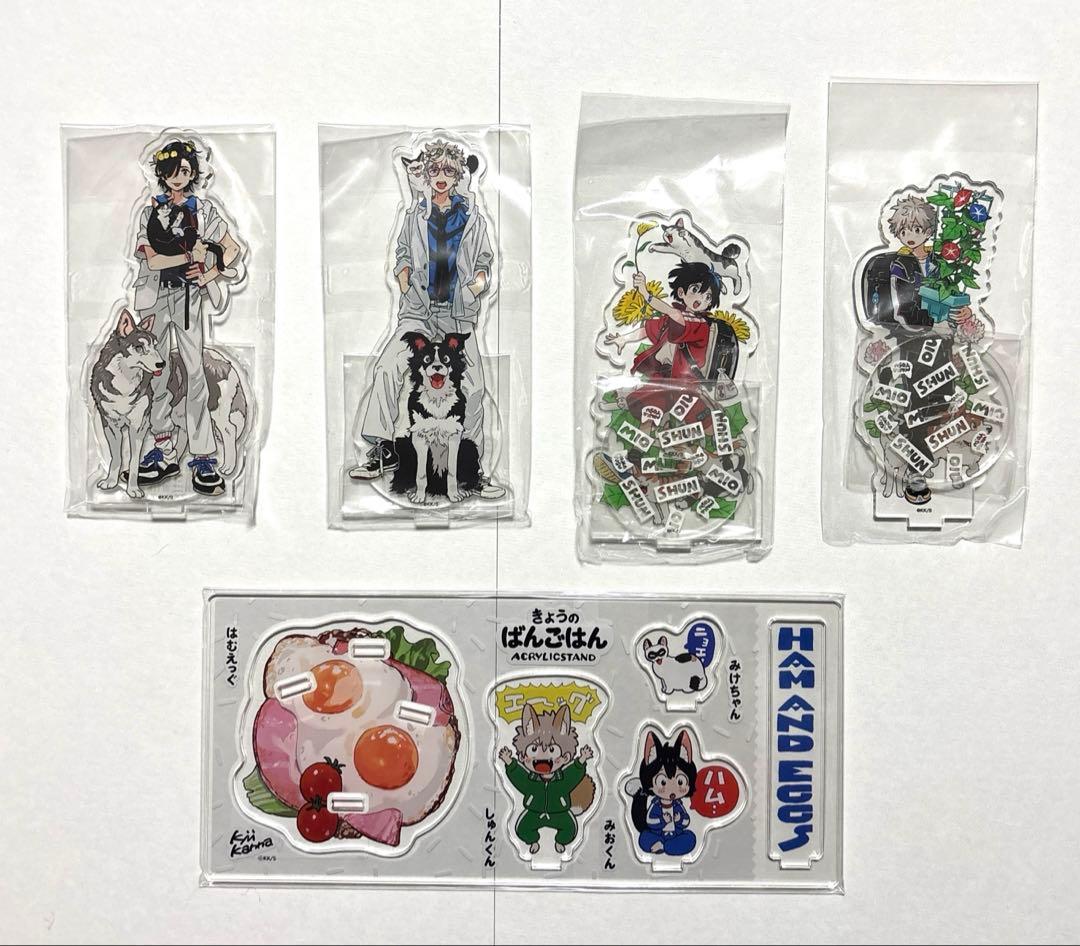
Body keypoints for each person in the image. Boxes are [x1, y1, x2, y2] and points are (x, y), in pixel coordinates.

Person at [350, 139, 503, 498]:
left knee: (474, 387)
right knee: (387, 367)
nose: (441, 177)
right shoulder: (415, 215)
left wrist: (478, 284)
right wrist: (404, 275)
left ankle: (470, 469)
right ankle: (382, 449)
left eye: (449, 170)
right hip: (418, 311)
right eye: (435, 170)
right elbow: (403, 251)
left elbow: (484, 259)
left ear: (459, 175)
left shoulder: (472, 218)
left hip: (457, 314)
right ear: (427, 174)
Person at [131, 139, 244, 495]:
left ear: (194, 172)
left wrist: (208, 274)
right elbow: (153, 261)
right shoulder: (149, 211)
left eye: (184, 170)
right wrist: (190, 257)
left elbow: (233, 249)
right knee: (158, 373)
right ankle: (164, 448)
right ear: (162, 174)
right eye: (171, 171)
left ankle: (203, 456)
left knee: (195, 374)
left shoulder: (205, 210)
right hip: (154, 300)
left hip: (188, 299)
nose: (178, 177)